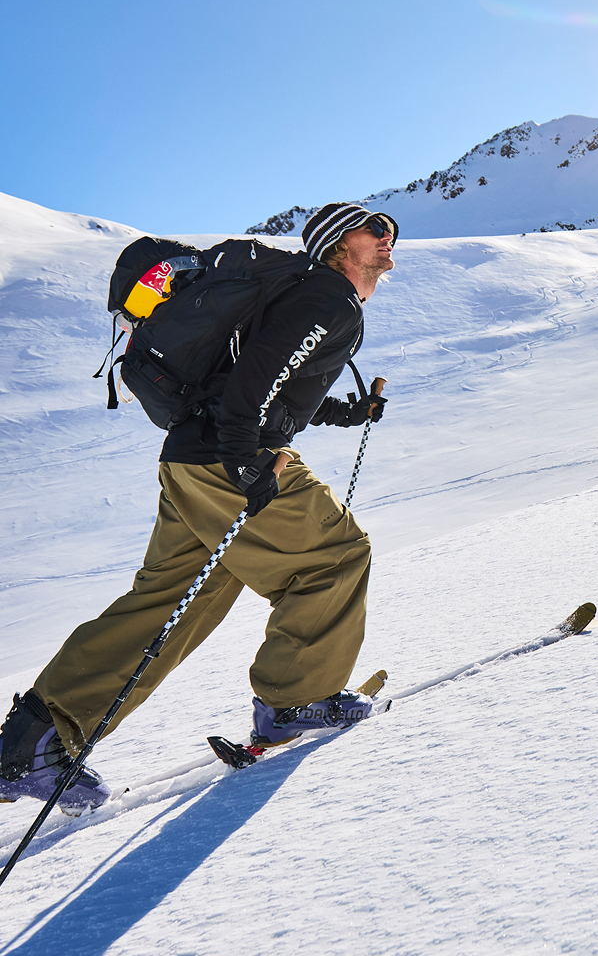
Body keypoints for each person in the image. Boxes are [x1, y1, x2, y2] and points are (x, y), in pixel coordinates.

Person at [0, 204, 397, 812]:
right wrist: (244, 460)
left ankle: (32, 740)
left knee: (166, 606)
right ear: (341, 244)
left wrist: (345, 412)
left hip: (189, 461)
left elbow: (272, 381)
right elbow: (260, 382)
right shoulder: (329, 299)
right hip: (230, 462)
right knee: (336, 556)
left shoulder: (298, 297)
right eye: (377, 233)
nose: (389, 243)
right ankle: (293, 702)